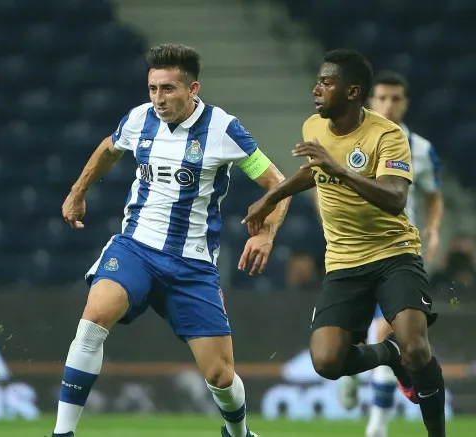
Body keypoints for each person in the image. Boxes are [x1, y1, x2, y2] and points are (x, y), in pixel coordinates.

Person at [51, 43, 291, 437]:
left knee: (221, 375)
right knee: (92, 321)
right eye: (152, 88)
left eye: (168, 89)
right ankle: (62, 432)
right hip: (136, 248)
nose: (158, 99)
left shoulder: (223, 129)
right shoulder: (139, 120)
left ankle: (240, 433)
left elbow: (275, 183)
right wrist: (78, 191)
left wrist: (267, 234)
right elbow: (109, 150)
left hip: (191, 266)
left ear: (192, 89)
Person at [243, 49, 446, 437]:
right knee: (327, 362)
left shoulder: (388, 135)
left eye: (326, 82)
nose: (316, 88)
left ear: (352, 92)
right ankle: (389, 354)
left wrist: (337, 166)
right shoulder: (313, 128)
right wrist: (272, 196)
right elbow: (312, 171)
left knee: (417, 346)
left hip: (394, 254)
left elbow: (394, 198)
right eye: (317, 81)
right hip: (343, 262)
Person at [336, 71, 445, 437]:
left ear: (405, 103)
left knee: (388, 331)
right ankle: (352, 367)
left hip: (400, 251)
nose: (388, 105)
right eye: (381, 98)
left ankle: (377, 424)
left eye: (395, 99)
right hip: (354, 246)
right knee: (351, 334)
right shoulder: (353, 142)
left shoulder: (422, 148)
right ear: (370, 101)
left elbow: (433, 195)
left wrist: (433, 228)